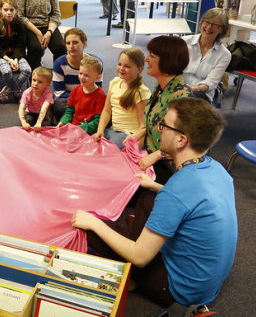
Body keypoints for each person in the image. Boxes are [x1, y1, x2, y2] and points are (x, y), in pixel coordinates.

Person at [72, 97, 236, 308]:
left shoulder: (178, 187)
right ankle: (138, 236)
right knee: (150, 195)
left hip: (178, 292)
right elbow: (190, 200)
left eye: (164, 125)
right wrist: (155, 186)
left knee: (90, 229)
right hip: (206, 282)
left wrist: (93, 222)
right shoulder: (215, 168)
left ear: (181, 140)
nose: (159, 129)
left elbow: (140, 257)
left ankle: (132, 269)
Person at [126, 35, 191, 185]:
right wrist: (141, 132)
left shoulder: (181, 98)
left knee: (123, 185)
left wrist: (156, 155)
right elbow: (157, 121)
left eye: (152, 56)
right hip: (152, 156)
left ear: (167, 62)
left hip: (170, 168)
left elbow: (186, 142)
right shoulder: (161, 87)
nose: (146, 59)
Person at [94, 48, 151, 149]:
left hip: (129, 134)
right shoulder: (114, 83)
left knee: (106, 150)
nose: (121, 68)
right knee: (93, 143)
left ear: (139, 69)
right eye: (119, 64)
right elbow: (107, 111)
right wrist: (100, 130)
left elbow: (144, 125)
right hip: (113, 130)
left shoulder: (141, 92)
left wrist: (137, 147)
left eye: (127, 66)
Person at [15, 0, 66, 70]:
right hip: (29, 27)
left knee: (60, 47)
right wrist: (38, 33)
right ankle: (34, 79)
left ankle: (59, 76)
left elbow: (56, 14)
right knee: (35, 48)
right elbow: (21, 16)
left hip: (48, 25)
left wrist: (49, 32)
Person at [0, 0, 31, 104]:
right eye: (6, 10)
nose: (9, 13)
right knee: (7, 72)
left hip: (16, 56)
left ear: (15, 10)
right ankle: (16, 90)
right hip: (0, 57)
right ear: (0, 10)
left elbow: (21, 45)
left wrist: (15, 59)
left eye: (11, 10)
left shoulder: (19, 25)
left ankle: (9, 90)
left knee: (27, 71)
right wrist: (9, 60)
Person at [183, 8, 232, 103]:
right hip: (177, 87)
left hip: (200, 93)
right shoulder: (184, 42)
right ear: (202, 23)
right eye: (207, 22)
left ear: (221, 29)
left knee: (192, 99)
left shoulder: (224, 55)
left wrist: (194, 89)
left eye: (214, 25)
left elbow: (211, 82)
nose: (209, 27)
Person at [52, 28, 103, 119]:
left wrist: (85, 100)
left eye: (75, 42)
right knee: (58, 106)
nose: (71, 46)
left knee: (105, 107)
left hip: (89, 97)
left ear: (84, 44)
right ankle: (84, 118)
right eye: (68, 43)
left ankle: (75, 118)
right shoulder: (59, 63)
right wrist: (79, 100)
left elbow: (98, 88)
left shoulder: (96, 63)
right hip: (68, 98)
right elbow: (59, 92)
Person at [57, 56, 107, 134]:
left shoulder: (100, 96)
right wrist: (63, 122)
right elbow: (69, 111)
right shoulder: (75, 90)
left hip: (89, 131)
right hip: (73, 127)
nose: (82, 77)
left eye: (86, 75)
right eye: (80, 73)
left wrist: (80, 129)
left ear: (97, 78)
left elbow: (99, 121)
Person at [19, 67, 55, 131]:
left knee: (46, 117)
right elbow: (21, 108)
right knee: (27, 120)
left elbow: (44, 108)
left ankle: (45, 131)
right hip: (31, 113)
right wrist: (23, 122)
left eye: (40, 82)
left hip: (43, 114)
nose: (35, 84)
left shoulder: (48, 94)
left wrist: (39, 122)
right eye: (34, 80)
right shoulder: (27, 92)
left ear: (47, 85)